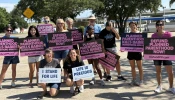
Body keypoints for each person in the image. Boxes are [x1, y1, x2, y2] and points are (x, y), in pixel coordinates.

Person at [152, 20, 175, 93]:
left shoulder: (168, 34)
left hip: (167, 55)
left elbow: (172, 45)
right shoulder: (153, 35)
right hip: (157, 56)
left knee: (170, 72)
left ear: (163, 26)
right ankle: (159, 86)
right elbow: (151, 46)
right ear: (156, 26)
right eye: (158, 25)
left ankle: (171, 87)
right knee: (158, 71)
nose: (159, 26)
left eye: (161, 24)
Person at [127, 22, 143, 86]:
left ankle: (141, 80)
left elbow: (144, 43)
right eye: (131, 26)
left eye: (133, 25)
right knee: (132, 67)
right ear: (129, 27)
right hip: (130, 53)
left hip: (138, 53)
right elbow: (125, 44)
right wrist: (123, 48)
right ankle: (134, 80)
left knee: (140, 67)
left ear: (136, 26)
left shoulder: (140, 34)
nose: (132, 27)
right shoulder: (128, 35)